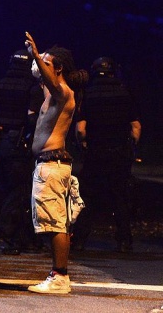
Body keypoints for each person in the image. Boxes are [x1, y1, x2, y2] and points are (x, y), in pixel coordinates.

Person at [24, 32, 88, 294]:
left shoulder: (63, 92)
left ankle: (60, 277)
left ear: (58, 68)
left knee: (55, 223)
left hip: (52, 165)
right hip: (48, 164)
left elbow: (52, 82)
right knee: (52, 222)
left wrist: (37, 55)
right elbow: (44, 80)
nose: (38, 65)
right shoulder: (50, 92)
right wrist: (39, 60)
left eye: (46, 63)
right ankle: (58, 274)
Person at [72, 57, 141, 253]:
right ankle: (124, 241)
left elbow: (81, 129)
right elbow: (136, 128)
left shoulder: (89, 95)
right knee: (120, 196)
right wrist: (130, 147)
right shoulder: (125, 92)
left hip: (96, 152)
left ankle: (79, 240)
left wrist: (83, 145)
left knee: (88, 196)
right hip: (119, 153)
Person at [0, 49, 42, 255]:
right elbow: (31, 119)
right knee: (19, 192)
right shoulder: (32, 88)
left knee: (9, 190)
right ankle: (5, 236)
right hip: (19, 144)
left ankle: (23, 238)